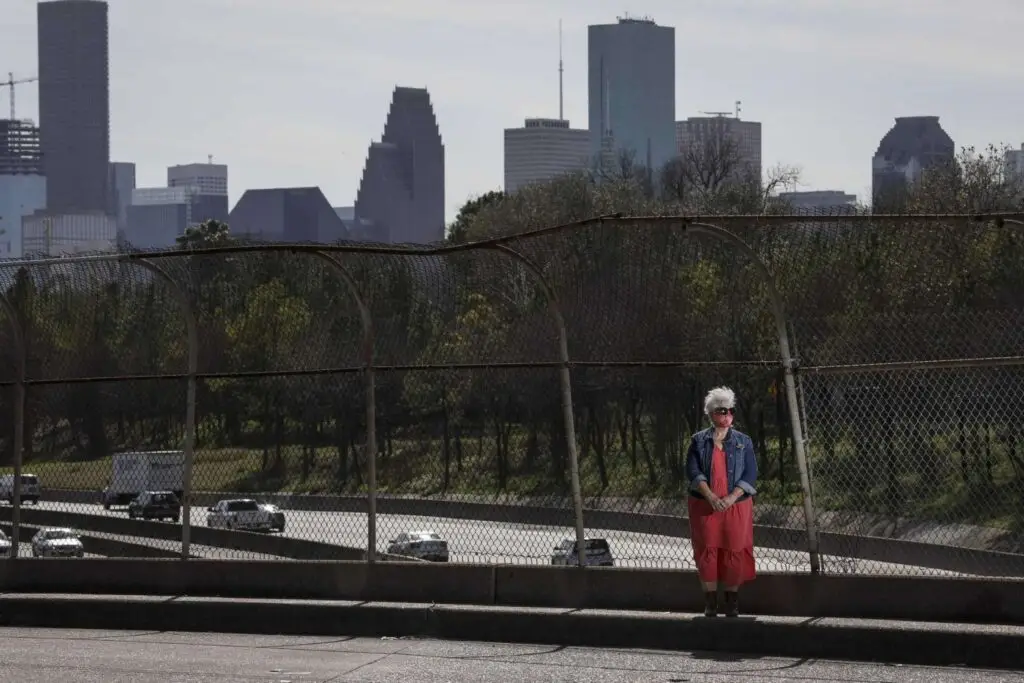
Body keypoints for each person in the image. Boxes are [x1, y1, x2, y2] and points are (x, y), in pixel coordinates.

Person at [685, 386, 758, 617]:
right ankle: (710, 602)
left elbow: (750, 473)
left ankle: (732, 602)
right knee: (707, 550)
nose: (726, 415)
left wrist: (731, 497)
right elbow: (693, 470)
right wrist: (711, 496)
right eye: (721, 411)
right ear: (711, 414)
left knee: (734, 549)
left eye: (730, 411)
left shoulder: (743, 441)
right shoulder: (698, 441)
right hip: (705, 506)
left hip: (736, 507)